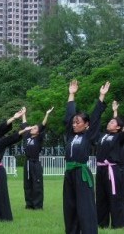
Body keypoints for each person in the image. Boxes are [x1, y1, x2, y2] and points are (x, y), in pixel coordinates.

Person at [63, 80, 109, 234]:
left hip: (82, 174)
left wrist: (101, 96)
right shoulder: (71, 135)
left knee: (85, 206)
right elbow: (69, 114)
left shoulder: (88, 135)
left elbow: (95, 117)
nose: (74, 124)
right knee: (70, 205)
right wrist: (71, 94)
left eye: (78, 122)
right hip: (69, 173)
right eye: (74, 123)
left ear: (86, 125)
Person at [0, 107, 29, 221]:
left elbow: (11, 137)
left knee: (1, 194)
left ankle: (4, 216)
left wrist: (21, 131)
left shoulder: (1, 141)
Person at [95, 100, 124, 229]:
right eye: (110, 121)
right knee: (101, 196)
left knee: (114, 197)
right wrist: (114, 111)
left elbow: (121, 126)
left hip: (112, 169)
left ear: (118, 127)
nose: (109, 122)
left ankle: (118, 224)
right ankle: (102, 223)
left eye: (112, 122)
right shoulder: (103, 135)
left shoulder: (119, 137)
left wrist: (115, 112)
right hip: (101, 169)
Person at [22, 107, 54, 210]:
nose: (32, 129)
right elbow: (25, 125)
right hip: (27, 163)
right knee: (27, 184)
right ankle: (29, 204)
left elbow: (42, 125)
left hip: (35, 163)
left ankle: (37, 205)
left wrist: (47, 114)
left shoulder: (39, 138)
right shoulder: (27, 136)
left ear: (38, 132)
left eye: (34, 128)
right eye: (32, 128)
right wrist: (23, 113)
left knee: (37, 184)